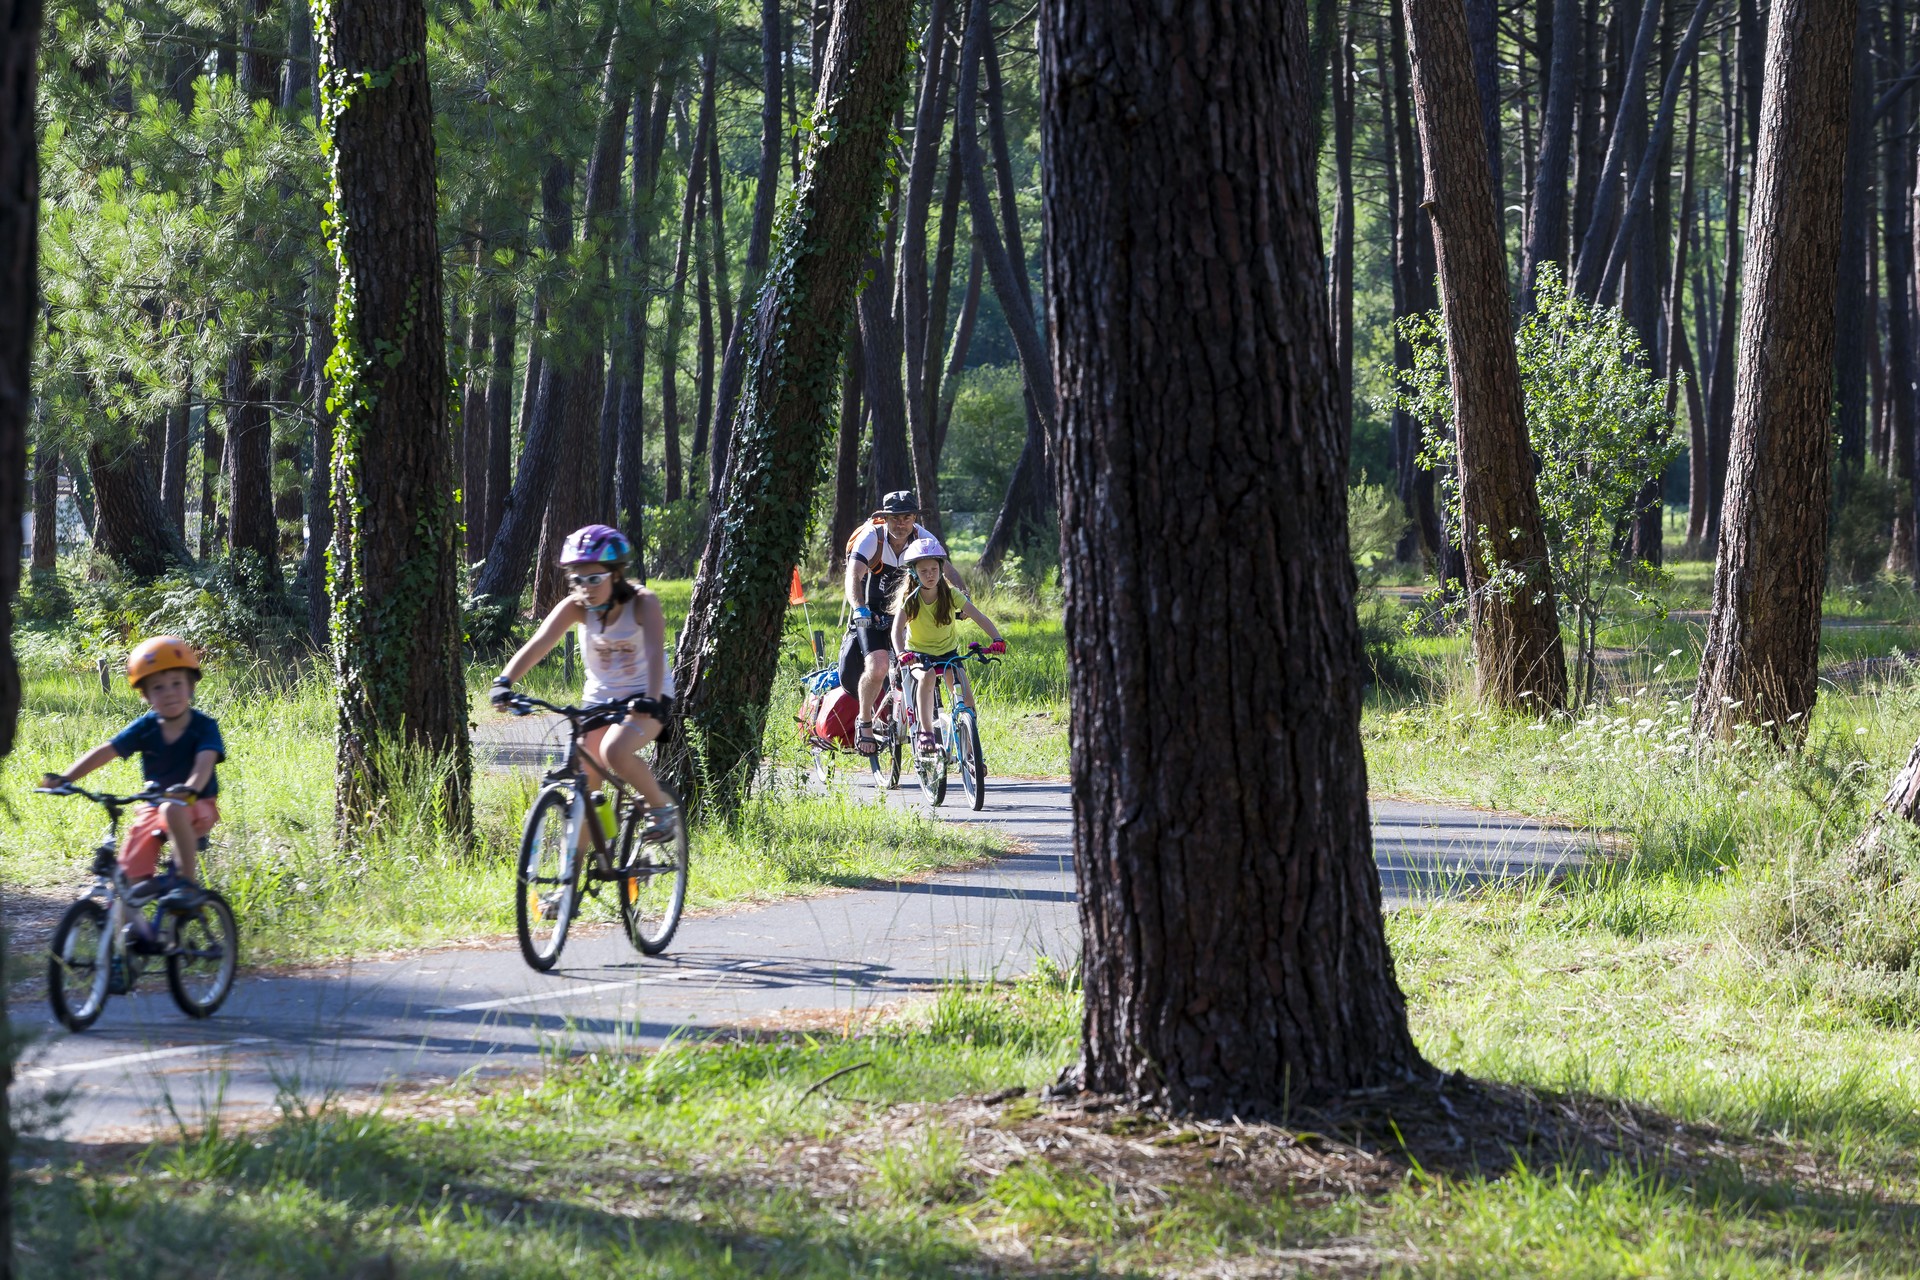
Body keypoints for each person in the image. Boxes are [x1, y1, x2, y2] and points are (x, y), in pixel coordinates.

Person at [489, 524, 677, 840]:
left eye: (594, 579)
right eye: (577, 580)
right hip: (599, 701)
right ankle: (576, 873)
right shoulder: (575, 607)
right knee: (586, 780)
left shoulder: (644, 602)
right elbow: (538, 645)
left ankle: (661, 811)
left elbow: (657, 654)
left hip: (648, 696)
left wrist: (650, 699)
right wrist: (504, 681)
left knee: (615, 752)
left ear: (615, 575)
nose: (585, 588)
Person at [43, 636, 223, 908]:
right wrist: (66, 778)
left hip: (195, 804)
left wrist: (191, 788)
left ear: (190, 686)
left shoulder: (204, 726)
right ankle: (136, 939)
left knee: (170, 810)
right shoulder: (146, 726)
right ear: (146, 695)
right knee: (127, 882)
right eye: (158, 687)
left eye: (177, 683)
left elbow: (204, 763)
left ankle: (187, 883)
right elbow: (107, 751)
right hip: (156, 807)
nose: (170, 692)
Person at [843, 490, 963, 755]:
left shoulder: (923, 537)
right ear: (884, 518)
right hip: (871, 612)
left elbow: (947, 569)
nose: (901, 524)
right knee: (878, 666)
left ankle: (924, 725)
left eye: (906, 518)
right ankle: (864, 721)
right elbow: (853, 575)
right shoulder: (871, 538)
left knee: (924, 662)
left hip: (907, 611)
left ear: (914, 518)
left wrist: (963, 596)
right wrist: (859, 609)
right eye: (894, 518)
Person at [890, 537, 1006, 753]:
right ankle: (925, 732)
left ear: (941, 568)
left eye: (934, 569)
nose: (930, 575)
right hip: (919, 655)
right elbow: (896, 631)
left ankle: (972, 755)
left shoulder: (951, 594)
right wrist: (901, 653)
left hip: (948, 655)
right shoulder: (911, 600)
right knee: (927, 677)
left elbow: (979, 617)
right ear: (914, 573)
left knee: (967, 704)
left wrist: (997, 638)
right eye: (924, 571)